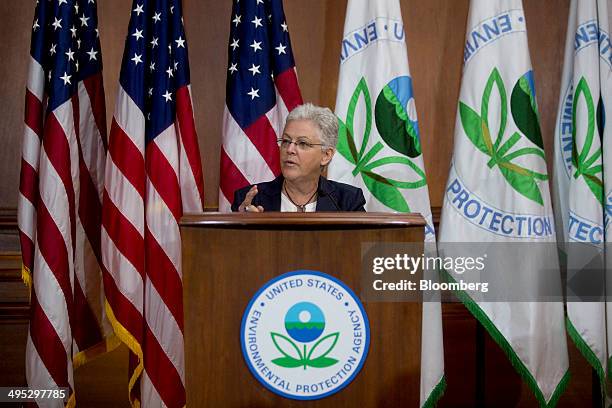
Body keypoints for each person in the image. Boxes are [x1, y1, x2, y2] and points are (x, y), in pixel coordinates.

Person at [232, 103, 366, 212]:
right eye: (285, 141)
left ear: (326, 155)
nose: (289, 150)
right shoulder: (252, 200)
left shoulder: (348, 203)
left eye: (302, 143)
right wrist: (245, 226)